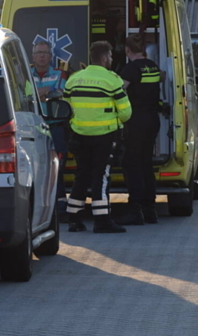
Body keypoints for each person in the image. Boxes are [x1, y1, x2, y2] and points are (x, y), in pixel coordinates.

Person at [63, 41, 131, 233]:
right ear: (103, 58)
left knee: (81, 175)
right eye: (110, 56)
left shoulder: (74, 79)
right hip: (104, 135)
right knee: (101, 176)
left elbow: (67, 107)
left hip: (79, 135)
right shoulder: (112, 80)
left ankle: (74, 219)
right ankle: (102, 221)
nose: (111, 59)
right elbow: (126, 113)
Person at [116, 34, 162, 225]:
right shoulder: (152, 66)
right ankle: (150, 209)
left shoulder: (131, 69)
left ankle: (135, 209)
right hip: (152, 120)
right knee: (146, 164)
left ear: (127, 50)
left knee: (131, 164)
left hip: (136, 121)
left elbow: (119, 91)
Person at [31, 40, 68, 213]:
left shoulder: (59, 74)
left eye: (45, 52)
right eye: (39, 52)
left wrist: (37, 94)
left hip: (55, 126)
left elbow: (59, 94)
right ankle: (39, 205)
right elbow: (24, 95)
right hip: (32, 126)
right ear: (33, 55)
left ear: (51, 56)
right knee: (35, 167)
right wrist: (46, 91)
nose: (42, 56)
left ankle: (60, 205)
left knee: (57, 167)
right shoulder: (24, 73)